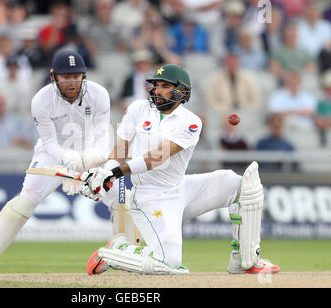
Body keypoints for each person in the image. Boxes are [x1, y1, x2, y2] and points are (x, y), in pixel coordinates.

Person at [81, 64, 280, 275]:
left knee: (239, 184)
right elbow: (119, 151)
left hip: (181, 188)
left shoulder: (191, 122)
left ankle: (244, 260)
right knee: (170, 263)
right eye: (155, 85)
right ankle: (119, 247)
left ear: (181, 91)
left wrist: (114, 173)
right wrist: (104, 173)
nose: (157, 90)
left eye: (165, 86)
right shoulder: (137, 109)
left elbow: (158, 157)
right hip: (151, 197)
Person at [0, 50, 113, 274]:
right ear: (54, 76)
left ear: (84, 75)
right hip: (52, 154)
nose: (72, 82)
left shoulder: (99, 94)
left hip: (91, 152)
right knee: (25, 201)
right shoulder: (41, 100)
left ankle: (126, 251)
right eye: (66, 77)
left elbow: (103, 135)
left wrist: (93, 158)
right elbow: (50, 142)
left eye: (76, 76)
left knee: (121, 198)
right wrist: (67, 160)